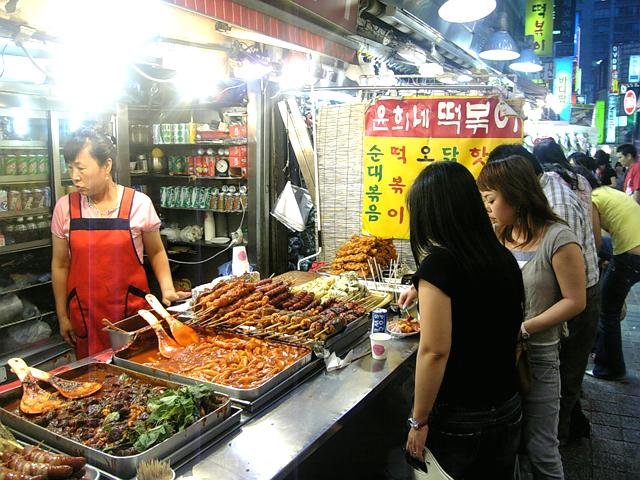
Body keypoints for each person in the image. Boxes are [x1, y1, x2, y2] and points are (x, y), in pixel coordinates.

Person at [404, 162, 523, 479]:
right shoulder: (503, 257)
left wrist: (419, 420)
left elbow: (434, 351)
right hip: (507, 405)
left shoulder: (439, 266)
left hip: (461, 416)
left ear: (430, 214)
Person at [477, 156, 586, 480]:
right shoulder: (499, 235)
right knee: (506, 443)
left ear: (516, 194)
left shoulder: (558, 238)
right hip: (499, 355)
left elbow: (575, 301)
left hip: (538, 355)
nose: (487, 208)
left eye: (491, 200)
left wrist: (524, 328)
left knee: (541, 447)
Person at [51, 128, 190, 359]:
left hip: (131, 311)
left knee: (138, 367)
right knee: (93, 373)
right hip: (85, 314)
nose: (74, 176)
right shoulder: (65, 208)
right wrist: (62, 315)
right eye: (70, 167)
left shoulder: (138, 204)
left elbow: (156, 251)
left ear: (106, 166)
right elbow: (60, 265)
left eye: (81, 168)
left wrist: (167, 289)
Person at [575, 166, 640, 380]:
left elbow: (594, 241)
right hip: (632, 250)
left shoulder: (592, 199)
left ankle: (610, 368)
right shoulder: (608, 192)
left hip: (631, 255)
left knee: (607, 311)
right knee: (610, 304)